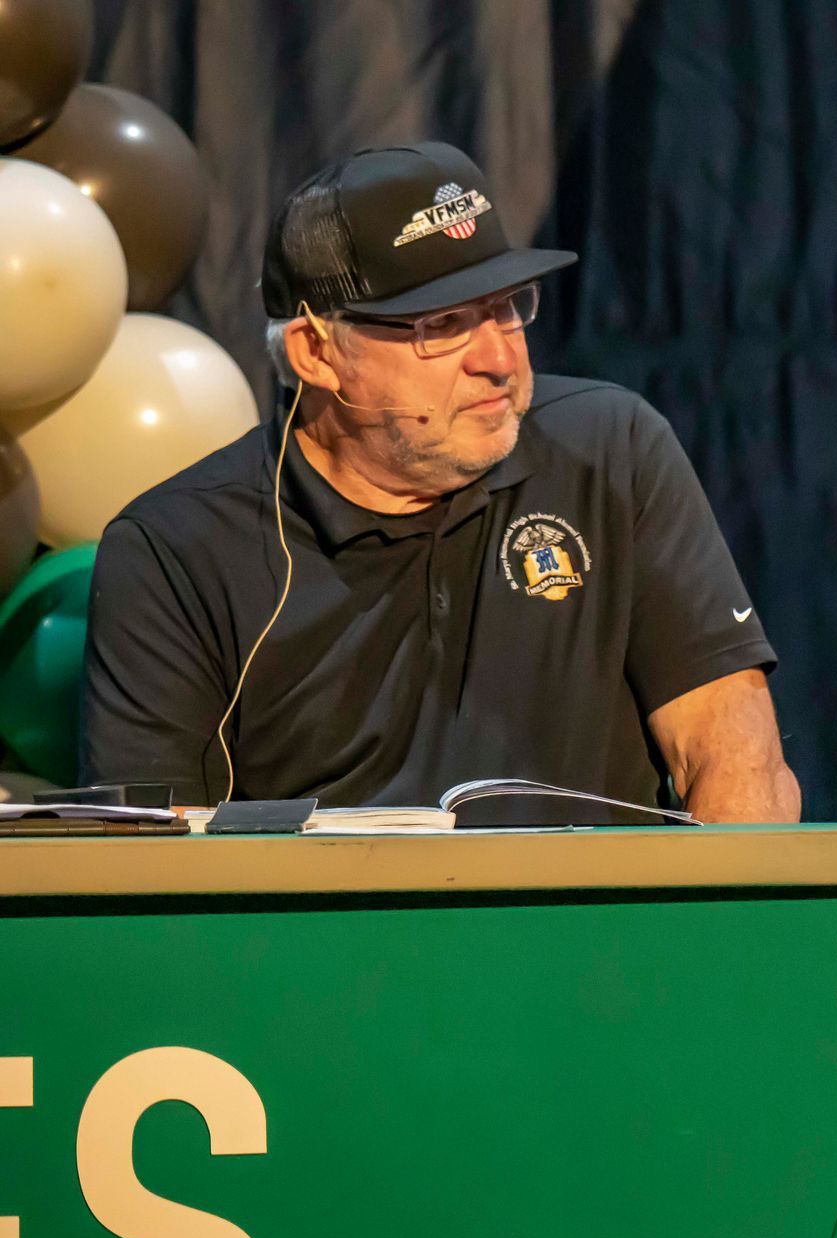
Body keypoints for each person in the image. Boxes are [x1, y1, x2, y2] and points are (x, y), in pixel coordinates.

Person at [80, 142, 800, 823]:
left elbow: (731, 749)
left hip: (599, 916)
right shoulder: (177, 550)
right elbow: (156, 853)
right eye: (444, 324)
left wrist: (729, 909)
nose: (499, 359)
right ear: (317, 354)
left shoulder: (612, 448)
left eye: (507, 308)